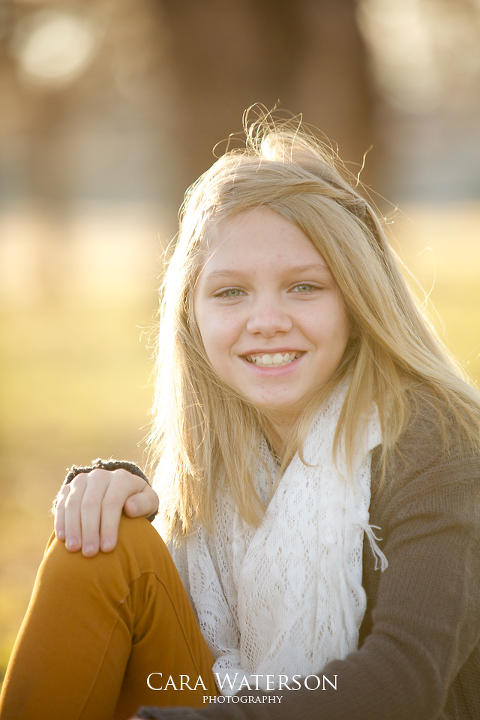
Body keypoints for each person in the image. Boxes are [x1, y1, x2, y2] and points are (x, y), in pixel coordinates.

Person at [1, 113, 480, 720]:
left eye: (304, 287)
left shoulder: (439, 445)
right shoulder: (224, 442)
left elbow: (404, 685)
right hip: (220, 702)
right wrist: (110, 493)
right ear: (193, 317)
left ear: (359, 300)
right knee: (100, 546)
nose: (266, 320)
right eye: (231, 292)